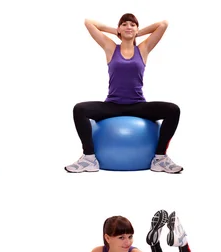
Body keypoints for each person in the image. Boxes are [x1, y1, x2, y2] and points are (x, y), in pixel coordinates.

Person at [65, 14, 183, 174]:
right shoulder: (111, 47)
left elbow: (163, 24)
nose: (129, 26)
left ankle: (160, 158)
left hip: (138, 105)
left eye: (133, 25)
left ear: (137, 29)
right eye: (124, 24)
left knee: (173, 110)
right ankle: (89, 158)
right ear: (119, 29)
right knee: (79, 109)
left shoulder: (143, 48)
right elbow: (88, 22)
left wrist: (137, 34)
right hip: (112, 106)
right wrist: (115, 31)